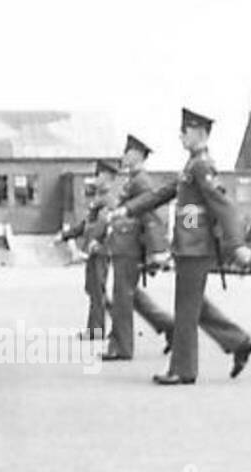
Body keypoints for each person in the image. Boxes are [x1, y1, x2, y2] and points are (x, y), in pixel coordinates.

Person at [115, 108, 251, 385]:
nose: (181, 136)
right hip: (189, 245)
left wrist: (238, 243)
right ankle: (238, 342)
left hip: (196, 248)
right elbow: (162, 193)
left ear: (200, 133)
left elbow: (223, 205)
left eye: (185, 131)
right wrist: (128, 210)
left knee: (186, 309)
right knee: (194, 304)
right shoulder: (192, 166)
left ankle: (183, 369)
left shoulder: (202, 166)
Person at [103, 134, 174, 361]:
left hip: (130, 246)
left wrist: (155, 251)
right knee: (130, 294)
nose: (123, 156)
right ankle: (170, 326)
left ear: (136, 155)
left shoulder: (141, 181)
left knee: (122, 295)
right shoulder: (133, 179)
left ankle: (121, 347)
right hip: (124, 243)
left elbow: (149, 215)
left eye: (126, 152)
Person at [59, 158, 119, 341]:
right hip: (94, 250)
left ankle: (97, 330)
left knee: (96, 289)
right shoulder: (98, 198)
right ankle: (110, 325)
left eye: (99, 175)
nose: (96, 179)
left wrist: (95, 244)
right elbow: (86, 225)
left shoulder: (108, 200)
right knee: (93, 289)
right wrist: (67, 235)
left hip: (100, 250)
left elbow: (104, 225)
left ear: (108, 178)